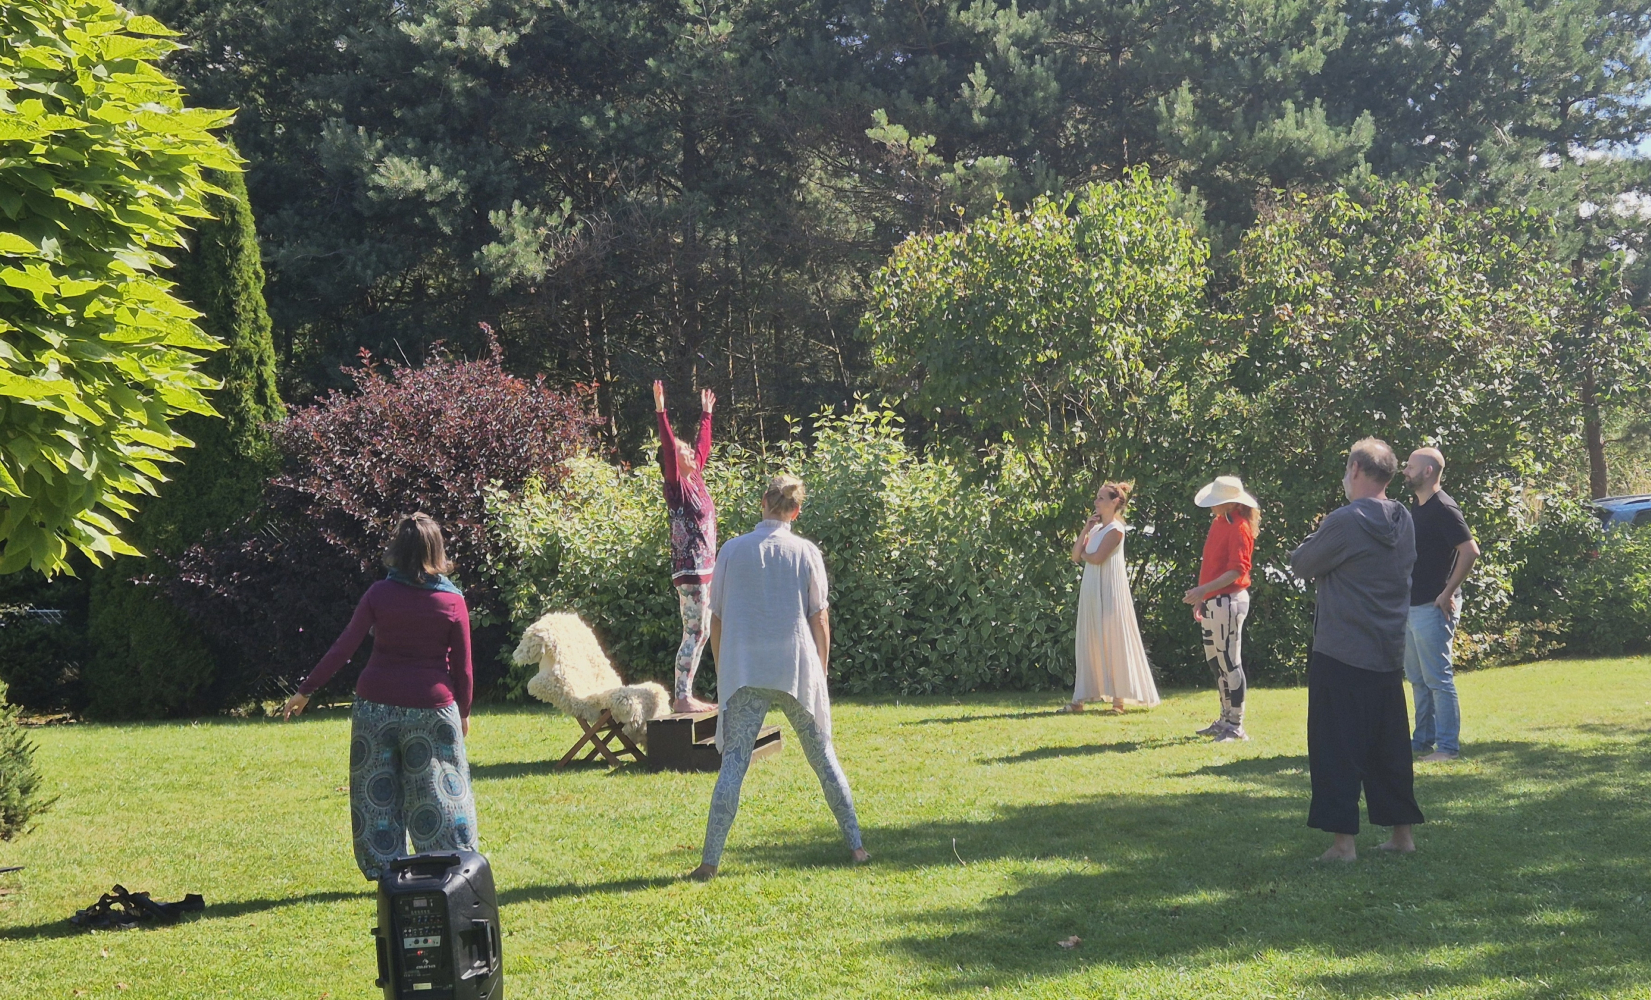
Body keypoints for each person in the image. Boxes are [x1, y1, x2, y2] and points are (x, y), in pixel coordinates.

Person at [689, 475, 868, 880]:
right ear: (796, 511)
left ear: (763, 501)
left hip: (745, 670)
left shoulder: (732, 550)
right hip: (796, 668)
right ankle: (857, 848)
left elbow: (716, 618)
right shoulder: (806, 552)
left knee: (733, 765)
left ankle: (709, 863)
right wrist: (821, 670)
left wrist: (723, 665)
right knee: (823, 757)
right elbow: (819, 618)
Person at [282, 513, 478, 881]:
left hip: (375, 707)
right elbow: (463, 668)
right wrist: (463, 710)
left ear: (396, 549)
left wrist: (306, 689)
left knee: (376, 791)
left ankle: (384, 869)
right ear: (436, 550)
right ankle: (451, 862)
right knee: (442, 790)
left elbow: (344, 647)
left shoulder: (378, 594)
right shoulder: (452, 601)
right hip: (432, 708)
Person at [1289, 438, 1424, 861]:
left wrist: (1315, 538)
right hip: (1387, 650)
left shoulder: (1345, 520)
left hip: (1342, 652)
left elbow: (1302, 563)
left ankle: (1343, 845)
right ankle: (1402, 836)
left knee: (1335, 749)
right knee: (1390, 749)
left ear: (1355, 469)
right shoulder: (1404, 519)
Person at [1401, 447, 1479, 762]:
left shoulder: (1443, 508)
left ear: (1428, 471)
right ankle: (1422, 741)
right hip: (1411, 605)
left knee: (1438, 679)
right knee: (1418, 679)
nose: (1405, 471)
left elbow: (1470, 551)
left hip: (1433, 607)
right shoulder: (1417, 506)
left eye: (1410, 467)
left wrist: (1448, 593)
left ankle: (1447, 748)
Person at [1061, 482, 1160, 714]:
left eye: (1101, 498)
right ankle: (1079, 699)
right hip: (1091, 590)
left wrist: (1085, 554)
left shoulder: (1116, 530)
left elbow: (1097, 558)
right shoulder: (1096, 529)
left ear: (1115, 502)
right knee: (1089, 641)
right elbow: (1076, 555)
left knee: (1113, 639)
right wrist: (1086, 529)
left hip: (1109, 590)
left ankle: (1118, 701)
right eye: (1097, 497)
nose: (1096, 502)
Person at [654, 379, 719, 714]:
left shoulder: (695, 478)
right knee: (694, 632)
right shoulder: (677, 487)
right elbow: (669, 448)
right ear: (673, 462)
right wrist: (661, 411)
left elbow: (703, 447)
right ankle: (682, 698)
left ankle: (686, 694)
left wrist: (706, 415)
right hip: (691, 571)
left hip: (704, 570)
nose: (691, 453)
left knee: (702, 632)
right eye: (684, 452)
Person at [1183, 476, 1260, 742]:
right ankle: (1225, 718)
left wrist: (1203, 591)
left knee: (1229, 660)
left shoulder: (1239, 527)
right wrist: (1202, 597)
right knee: (1216, 661)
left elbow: (1237, 570)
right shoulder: (1219, 523)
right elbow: (1211, 565)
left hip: (1229, 600)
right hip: (1214, 600)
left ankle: (1235, 724)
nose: (1212, 506)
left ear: (1229, 503)